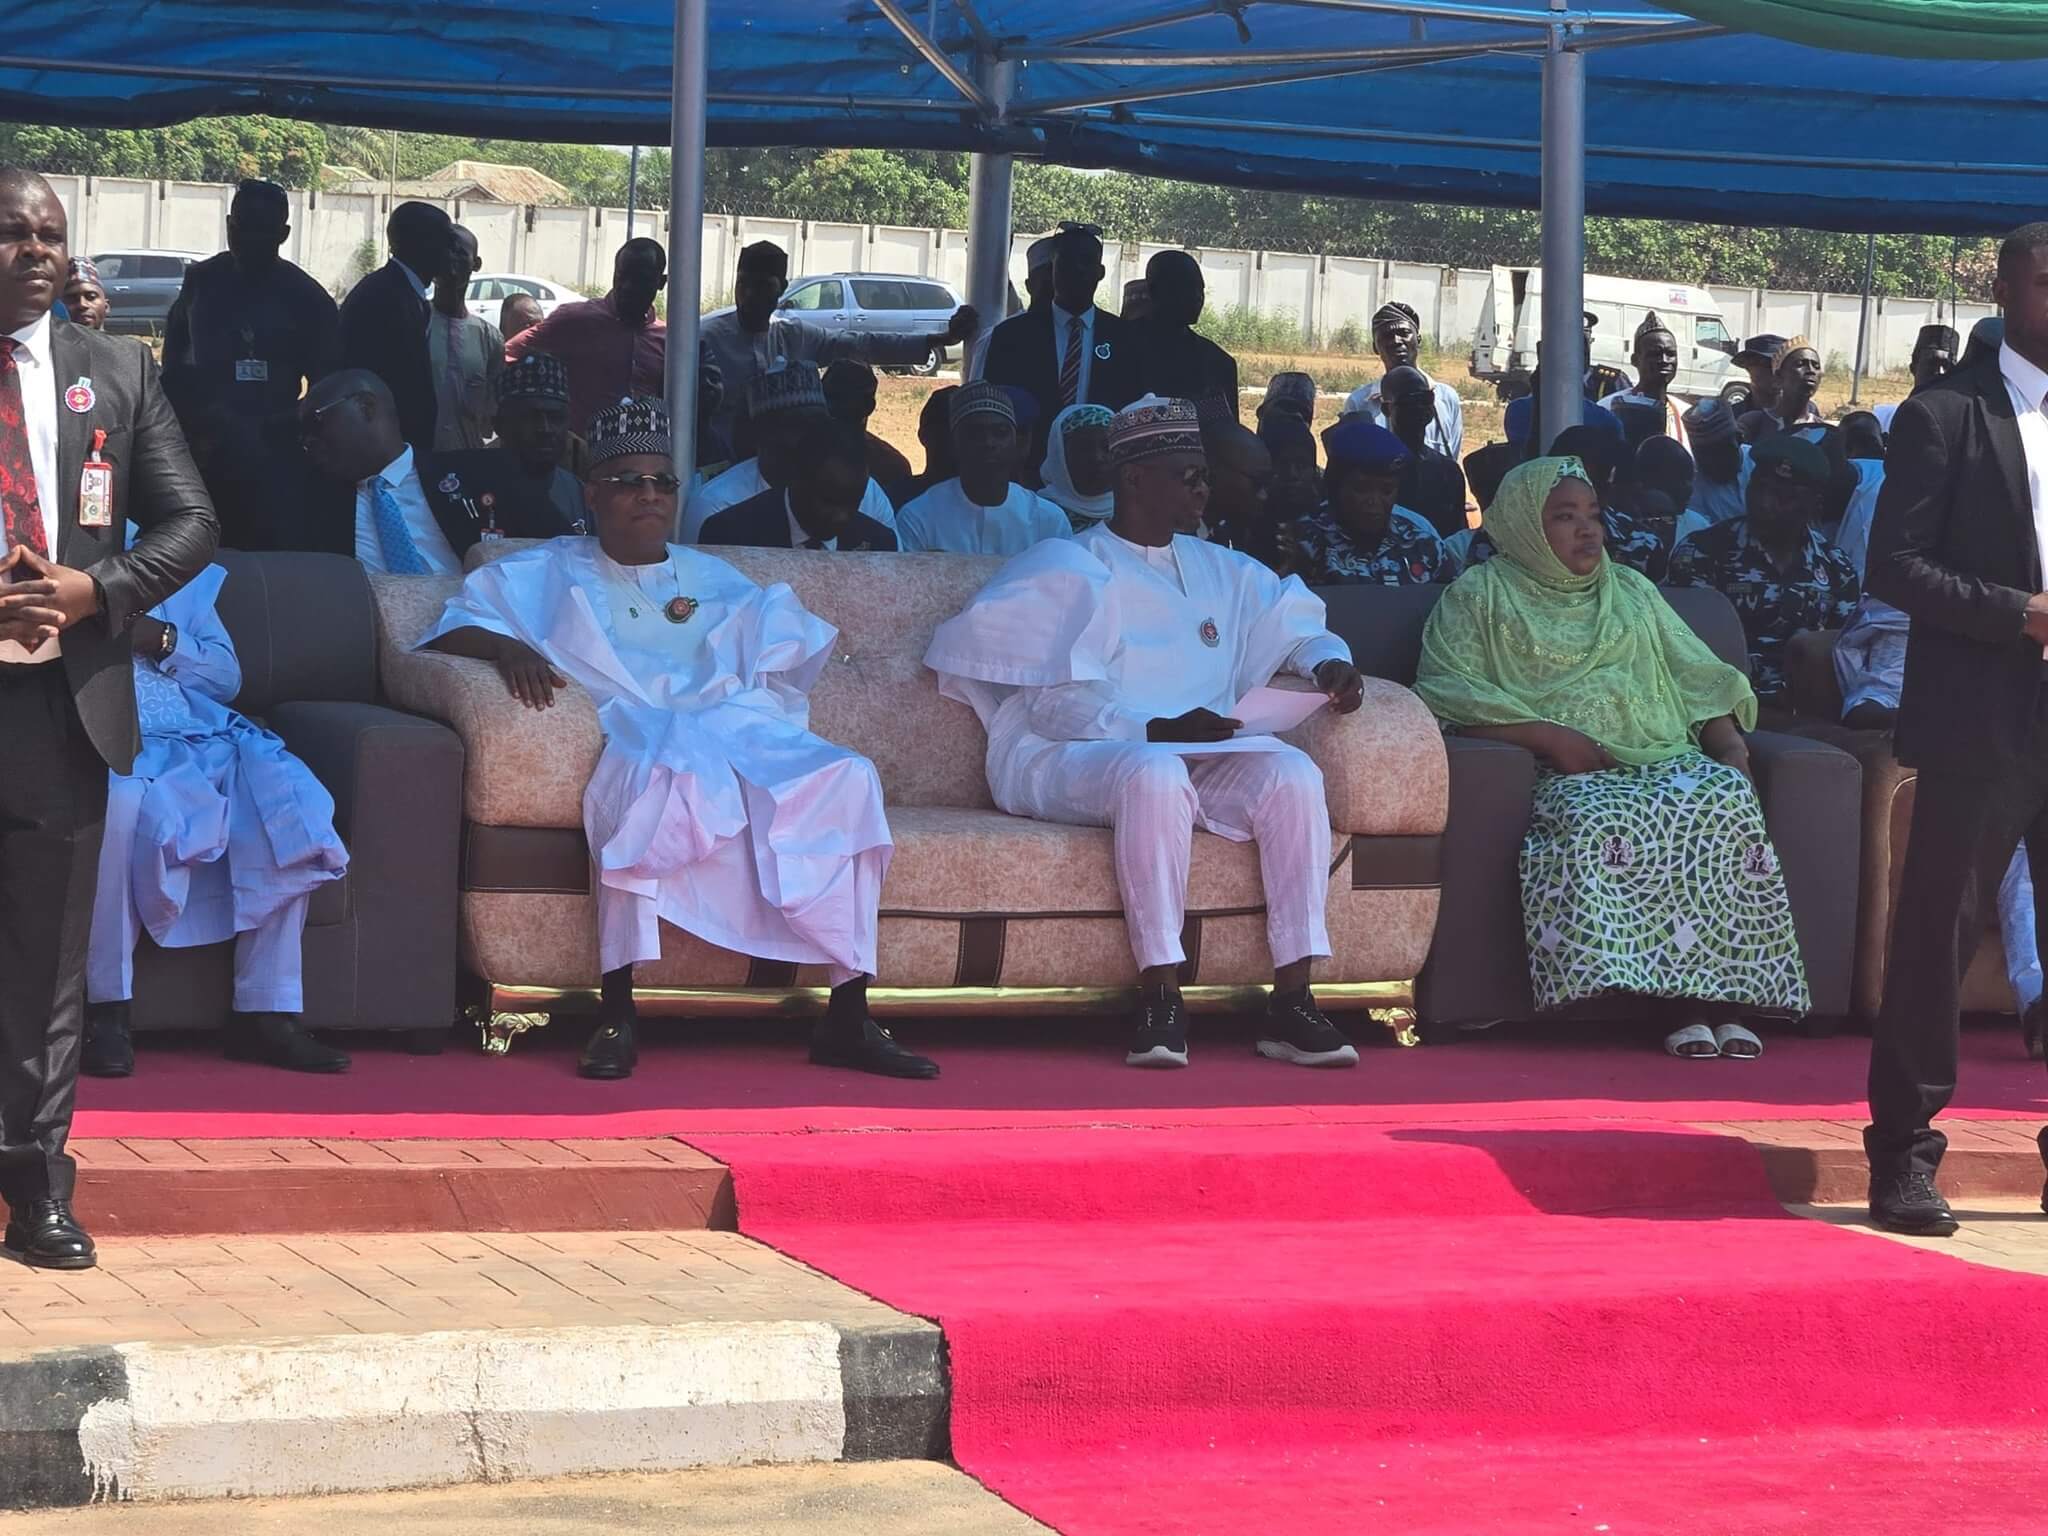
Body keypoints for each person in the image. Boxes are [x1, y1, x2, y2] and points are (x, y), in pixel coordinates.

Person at [418, 398, 935, 1082]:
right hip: (639, 725)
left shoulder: (711, 575)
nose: (649, 495)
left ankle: (847, 1010)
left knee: (847, 777)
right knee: (653, 778)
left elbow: (781, 649)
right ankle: (618, 1010)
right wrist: (506, 650)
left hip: (733, 721)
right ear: (594, 491)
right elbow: (451, 624)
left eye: (663, 482)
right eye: (630, 480)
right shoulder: (546, 572)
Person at [924, 395, 1368, 1070]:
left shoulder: (1223, 568)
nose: (1203, 488)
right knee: (1154, 774)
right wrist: (1152, 728)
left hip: (1196, 750)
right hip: (1067, 754)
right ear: (1134, 479)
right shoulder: (1071, 565)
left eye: (1203, 475)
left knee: (1293, 774)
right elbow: (1055, 706)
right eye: (1187, 474)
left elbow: (1295, 623)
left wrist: (1328, 661)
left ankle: (1293, 997)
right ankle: (1161, 991)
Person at [0, 169, 219, 1269]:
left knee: (44, 968)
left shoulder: (116, 370)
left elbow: (192, 522)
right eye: (12, 233)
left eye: (50, 235)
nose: (35, 251)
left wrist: (102, 591)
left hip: (60, 703)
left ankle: (37, 1188)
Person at [1415, 455, 1806, 1059]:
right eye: (1565, 517)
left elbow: (1697, 675)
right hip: (1566, 770)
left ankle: (1722, 1001)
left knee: (1723, 797)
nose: (1588, 530)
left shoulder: (1629, 589)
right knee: (1601, 816)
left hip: (1663, 754)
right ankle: (1672, 1006)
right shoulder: (1480, 594)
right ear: (1523, 525)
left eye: (1593, 516)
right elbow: (1449, 686)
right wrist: (1548, 736)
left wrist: (1729, 745)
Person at [1861, 222, 2048, 1236]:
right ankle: (1901, 1157)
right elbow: (1890, 565)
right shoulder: (1944, 415)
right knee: (1938, 935)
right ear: (2008, 287)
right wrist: (2015, 611)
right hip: (1980, 715)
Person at [83, 556, 350, 1078]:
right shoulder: (40, 550)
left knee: (287, 795)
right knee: (117, 805)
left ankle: (266, 1012)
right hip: (99, 736)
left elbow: (226, 679)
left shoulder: (167, 566)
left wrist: (160, 639)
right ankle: (105, 1013)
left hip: (195, 734)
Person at [162, 179, 343, 552]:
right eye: (242, 227)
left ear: (283, 233)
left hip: (275, 456)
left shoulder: (307, 297)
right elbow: (175, 368)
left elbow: (329, 388)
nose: (250, 239)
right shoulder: (201, 282)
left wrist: (269, 428)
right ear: (229, 225)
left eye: (263, 230)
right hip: (204, 455)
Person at [697, 241, 976, 454]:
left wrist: (938, 339)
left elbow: (861, 344)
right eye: (743, 284)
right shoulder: (705, 338)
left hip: (785, 473)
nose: (749, 295)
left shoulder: (793, 335)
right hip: (721, 467)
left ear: (781, 288)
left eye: (762, 286)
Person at [300, 369, 562, 572]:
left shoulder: (486, 472)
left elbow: (563, 549)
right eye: (303, 435)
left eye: (317, 420)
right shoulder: (311, 511)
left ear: (366, 406)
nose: (309, 440)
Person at [1667, 433, 1859, 708]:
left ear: (1815, 503)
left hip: (1807, 708)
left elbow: (1843, 654)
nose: (1766, 503)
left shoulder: (1836, 567)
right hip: (1721, 707)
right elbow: (1685, 650)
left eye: (1784, 496)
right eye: (1759, 488)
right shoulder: (1703, 552)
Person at [681, 364, 899, 542]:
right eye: (797, 426)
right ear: (761, 433)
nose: (810, 436)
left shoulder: (867, 494)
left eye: (818, 424)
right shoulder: (716, 506)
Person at [982, 226, 1141, 468]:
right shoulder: (1012, 336)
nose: (1077, 269)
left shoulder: (1125, 338)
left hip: (1101, 475)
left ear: (1100, 272)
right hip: (1031, 474)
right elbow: (995, 410)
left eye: (1086, 261)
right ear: (1052, 267)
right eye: (1066, 261)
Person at [505, 238, 672, 438]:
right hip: (582, 459)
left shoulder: (668, 340)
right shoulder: (575, 320)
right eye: (622, 276)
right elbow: (508, 356)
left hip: (642, 458)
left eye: (640, 279)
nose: (627, 287)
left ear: (660, 283)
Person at [895, 383, 1070, 555]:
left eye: (1000, 432)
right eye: (975, 433)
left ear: (1015, 442)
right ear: (955, 443)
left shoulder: (1048, 519)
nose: (989, 443)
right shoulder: (919, 517)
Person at [425, 351, 585, 538]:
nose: (545, 429)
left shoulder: (579, 494)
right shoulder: (464, 488)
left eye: (556, 418)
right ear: (499, 425)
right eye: (530, 417)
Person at [339, 199, 453, 451]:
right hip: (383, 449)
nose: (451, 252)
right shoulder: (387, 297)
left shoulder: (402, 292)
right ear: (421, 244)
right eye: (446, 241)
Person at [1285, 417, 1444, 586]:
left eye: (1386, 491)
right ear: (1335, 486)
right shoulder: (1303, 542)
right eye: (1361, 489)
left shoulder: (1422, 543)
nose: (1373, 501)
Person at [699, 417, 897, 551]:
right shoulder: (730, 536)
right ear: (796, 479)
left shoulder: (877, 545)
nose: (841, 516)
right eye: (828, 501)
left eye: (853, 502)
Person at [1340, 302, 1463, 458]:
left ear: (1418, 339)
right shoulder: (1359, 403)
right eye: (1386, 336)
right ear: (1375, 347)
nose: (1396, 340)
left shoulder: (1446, 398)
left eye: (1404, 332)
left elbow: (1451, 459)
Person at [427, 224, 504, 454]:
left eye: (460, 253)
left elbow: (494, 416)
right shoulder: (415, 323)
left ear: (475, 264)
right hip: (418, 459)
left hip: (468, 459)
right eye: (445, 251)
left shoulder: (489, 339)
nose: (451, 260)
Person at [1130, 251, 1237, 416]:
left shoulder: (1218, 362)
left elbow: (1229, 434)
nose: (1197, 297)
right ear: (1154, 291)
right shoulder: (1119, 346)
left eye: (1200, 289)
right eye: (1185, 288)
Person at [1380, 364, 1468, 539]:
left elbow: (1457, 534)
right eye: (1408, 401)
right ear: (1386, 409)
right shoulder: (1376, 469)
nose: (1419, 406)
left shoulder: (1448, 471)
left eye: (1426, 398)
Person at [1600, 312, 1690, 450]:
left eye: (1670, 354)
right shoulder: (1608, 409)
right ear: (1635, 360)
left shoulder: (1686, 414)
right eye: (1655, 354)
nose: (1664, 361)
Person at [822, 360, 913, 489]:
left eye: (840, 397)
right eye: (826, 396)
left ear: (868, 406)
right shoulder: (892, 463)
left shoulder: (891, 466)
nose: (829, 405)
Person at [1202, 420, 1280, 570]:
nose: (1264, 495)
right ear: (1212, 472)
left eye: (1268, 482)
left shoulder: (1241, 533)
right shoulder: (1172, 539)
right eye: (1257, 482)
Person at [1039, 403, 1116, 532]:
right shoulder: (1037, 516)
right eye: (1084, 448)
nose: (1097, 457)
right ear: (1058, 455)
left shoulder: (1137, 512)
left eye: (1106, 447)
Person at [1872, 324, 1958, 435]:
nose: (1940, 372)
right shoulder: (1882, 420)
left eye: (1946, 366)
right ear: (1913, 367)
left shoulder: (1958, 427)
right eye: (1932, 363)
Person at [1739, 336, 1826, 442]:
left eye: (1816, 366)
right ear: (1778, 377)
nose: (1811, 371)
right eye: (1800, 364)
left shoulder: (1823, 430)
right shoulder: (1751, 422)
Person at [1681, 397, 1749, 526]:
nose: (1712, 461)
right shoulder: (1692, 485)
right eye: (1704, 454)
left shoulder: (1759, 464)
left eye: (1720, 451)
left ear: (1739, 439)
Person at [1732, 333, 1790, 418]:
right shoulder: (1732, 417)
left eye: (1782, 366)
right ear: (1748, 367)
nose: (1776, 372)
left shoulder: (1804, 412)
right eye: (1768, 364)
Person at [60, 258, 108, 330]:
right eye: (71, 298)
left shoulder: (119, 341)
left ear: (106, 307)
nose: (82, 304)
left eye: (91, 297)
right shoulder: (45, 340)